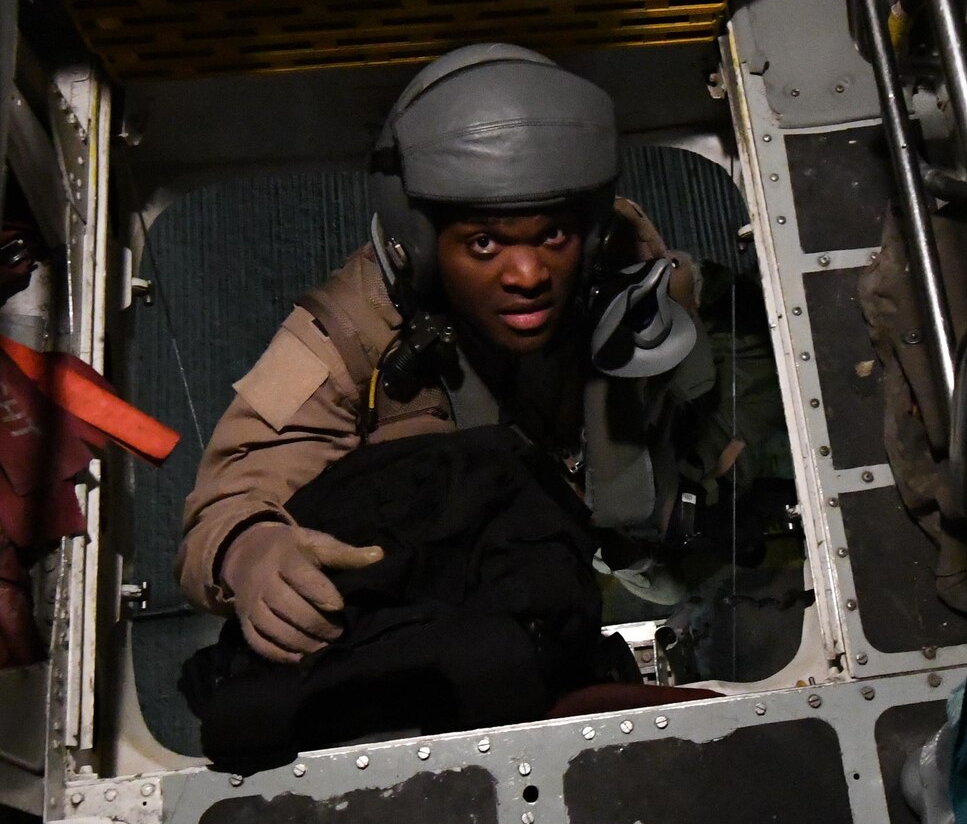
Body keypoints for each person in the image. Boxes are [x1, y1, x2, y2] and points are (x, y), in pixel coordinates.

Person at [175, 44, 712, 663]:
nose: (528, 273)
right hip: (466, 590)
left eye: (554, 235)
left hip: (607, 524)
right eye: (484, 242)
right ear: (422, 244)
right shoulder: (349, 329)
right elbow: (227, 497)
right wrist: (249, 550)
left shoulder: (636, 275)